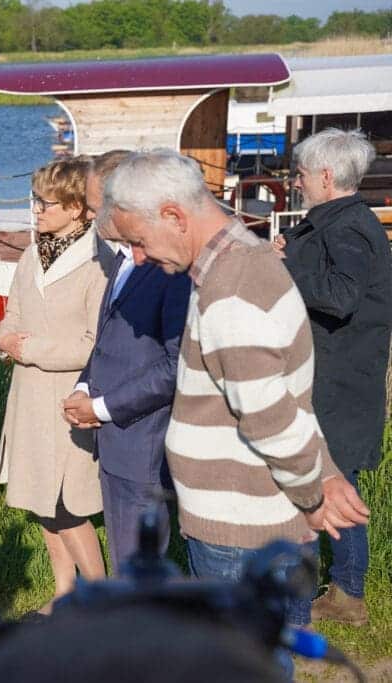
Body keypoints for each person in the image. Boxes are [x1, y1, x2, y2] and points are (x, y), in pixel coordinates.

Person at [103, 148, 367, 672]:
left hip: (239, 528)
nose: (137, 257)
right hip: (248, 515)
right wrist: (326, 473)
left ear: (174, 216)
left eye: (138, 240)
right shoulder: (241, 258)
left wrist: (313, 495)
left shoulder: (232, 291)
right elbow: (287, 395)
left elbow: (270, 418)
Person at [278, 128, 389, 626]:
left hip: (338, 381)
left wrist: (286, 263)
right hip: (339, 376)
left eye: (301, 174)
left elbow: (341, 296)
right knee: (336, 481)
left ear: (325, 176)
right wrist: (290, 248)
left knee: (324, 481)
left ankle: (333, 597)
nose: (296, 182)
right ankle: (346, 592)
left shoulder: (348, 227)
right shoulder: (341, 220)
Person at [62, 150, 191, 574]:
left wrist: (102, 408)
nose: (90, 217)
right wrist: (84, 386)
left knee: (140, 566)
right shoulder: (122, 259)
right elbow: (107, 339)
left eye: (96, 207)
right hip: (115, 438)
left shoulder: (169, 268)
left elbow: (175, 365)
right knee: (125, 557)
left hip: (144, 441)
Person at [0, 158, 108, 615]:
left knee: (68, 505)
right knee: (41, 502)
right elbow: (12, 316)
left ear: (77, 208)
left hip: (68, 399)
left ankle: (101, 601)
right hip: (27, 398)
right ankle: (64, 593)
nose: (37, 210)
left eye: (46, 203)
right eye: (36, 201)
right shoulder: (31, 254)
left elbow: (93, 344)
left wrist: (28, 348)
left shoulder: (97, 263)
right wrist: (5, 341)